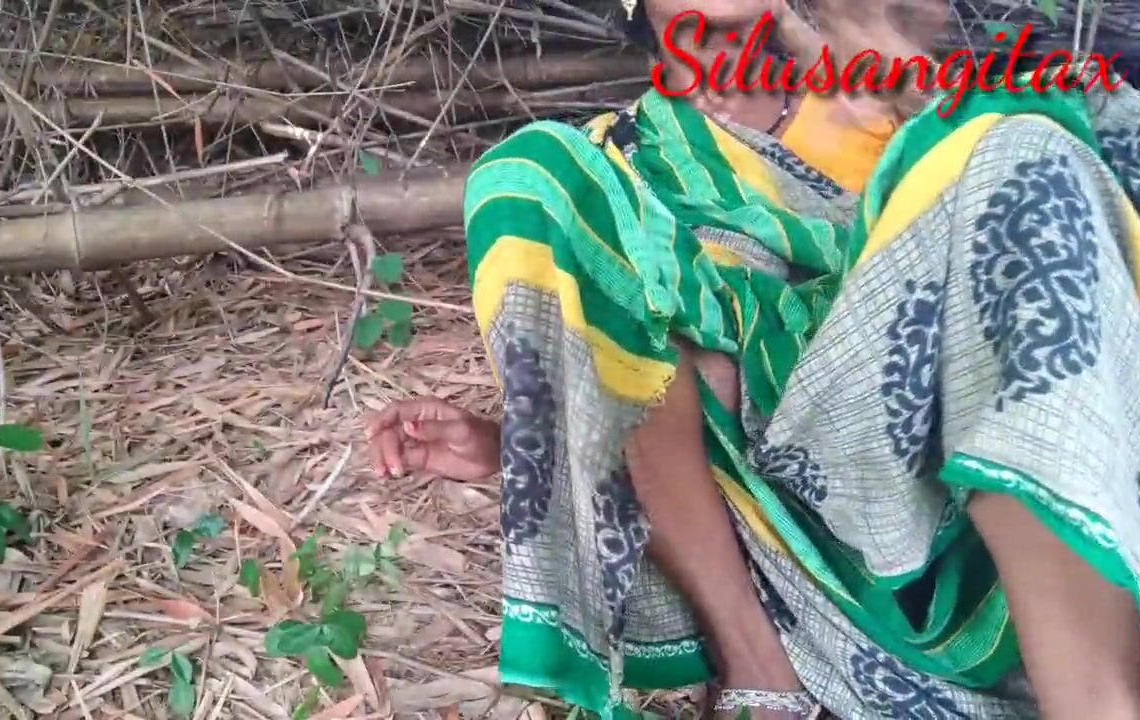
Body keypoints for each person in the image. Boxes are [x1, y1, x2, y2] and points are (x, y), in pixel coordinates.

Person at [366, 0, 1140, 717]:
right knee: (535, 178)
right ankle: (756, 664)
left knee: (1028, 151)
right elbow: (641, 376)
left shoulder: (886, 91)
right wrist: (525, 444)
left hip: (966, 480)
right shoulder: (618, 170)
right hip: (788, 526)